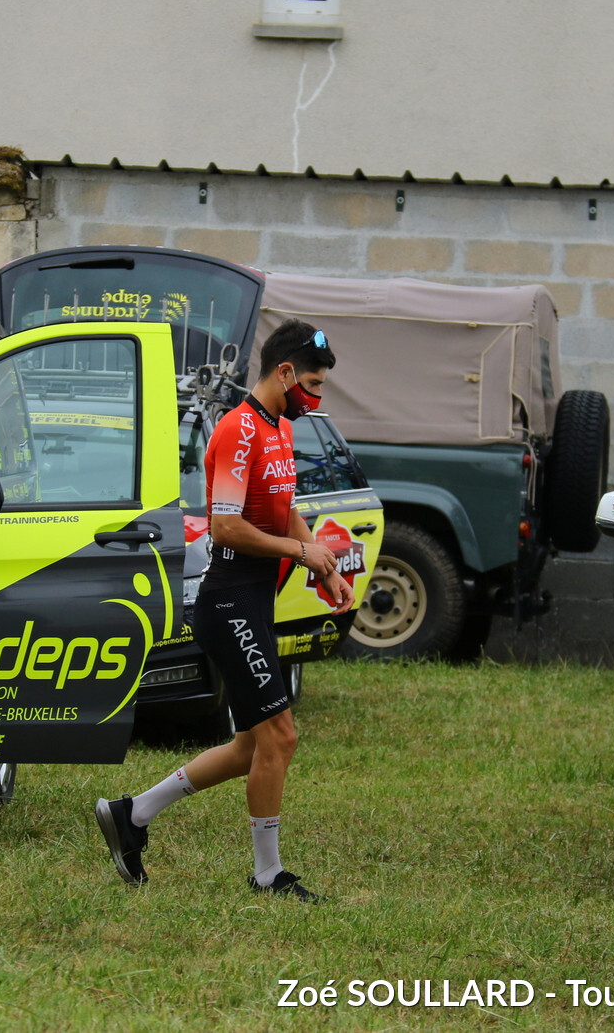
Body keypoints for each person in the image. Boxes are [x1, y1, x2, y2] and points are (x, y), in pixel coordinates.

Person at [95, 319, 352, 901]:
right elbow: (226, 527)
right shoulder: (239, 430)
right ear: (283, 372)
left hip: (254, 602)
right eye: (311, 382)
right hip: (229, 600)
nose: (316, 395)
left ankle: (131, 814)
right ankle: (267, 876)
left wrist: (325, 567)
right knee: (279, 738)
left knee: (250, 747)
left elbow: (284, 512)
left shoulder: (279, 428)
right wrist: (302, 552)